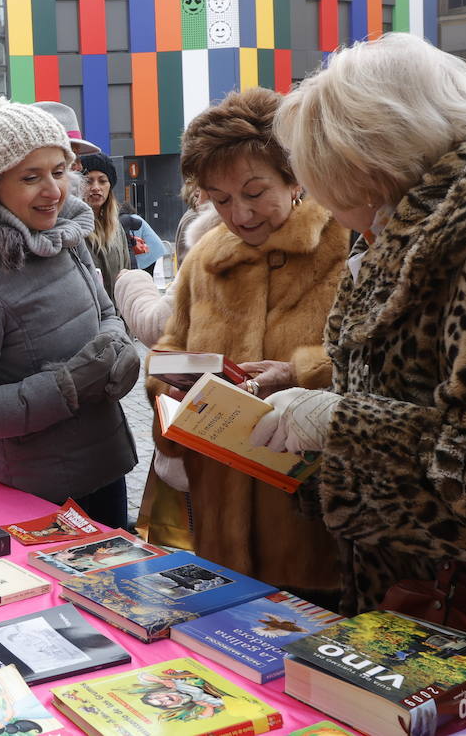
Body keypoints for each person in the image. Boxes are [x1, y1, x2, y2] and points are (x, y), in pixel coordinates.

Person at [256, 33, 466, 614]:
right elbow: (419, 383)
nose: (332, 210)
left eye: (333, 186)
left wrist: (343, 424)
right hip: (431, 603)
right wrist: (322, 410)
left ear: (375, 168)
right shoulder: (417, 229)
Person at [142, 87, 347, 600]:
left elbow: (373, 367)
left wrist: (300, 374)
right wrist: (170, 383)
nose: (240, 214)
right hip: (218, 527)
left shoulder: (347, 246)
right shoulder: (206, 258)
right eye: (220, 199)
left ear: (295, 175)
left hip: (314, 526)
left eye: (254, 193)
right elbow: (169, 348)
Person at [0, 95, 138, 528]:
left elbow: (106, 312)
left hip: (105, 465)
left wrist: (119, 348)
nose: (54, 191)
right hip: (37, 494)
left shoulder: (67, 233)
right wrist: (66, 385)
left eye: (60, 172)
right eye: (31, 177)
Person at [113, 190, 222, 347]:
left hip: (150, 253)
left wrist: (130, 279)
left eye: (202, 184)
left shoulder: (210, 246)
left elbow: (160, 326)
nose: (197, 193)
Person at [77, 152, 133, 291]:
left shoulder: (116, 228)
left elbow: (126, 267)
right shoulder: (73, 228)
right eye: (88, 181)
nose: (96, 187)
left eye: (102, 181)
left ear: (110, 186)